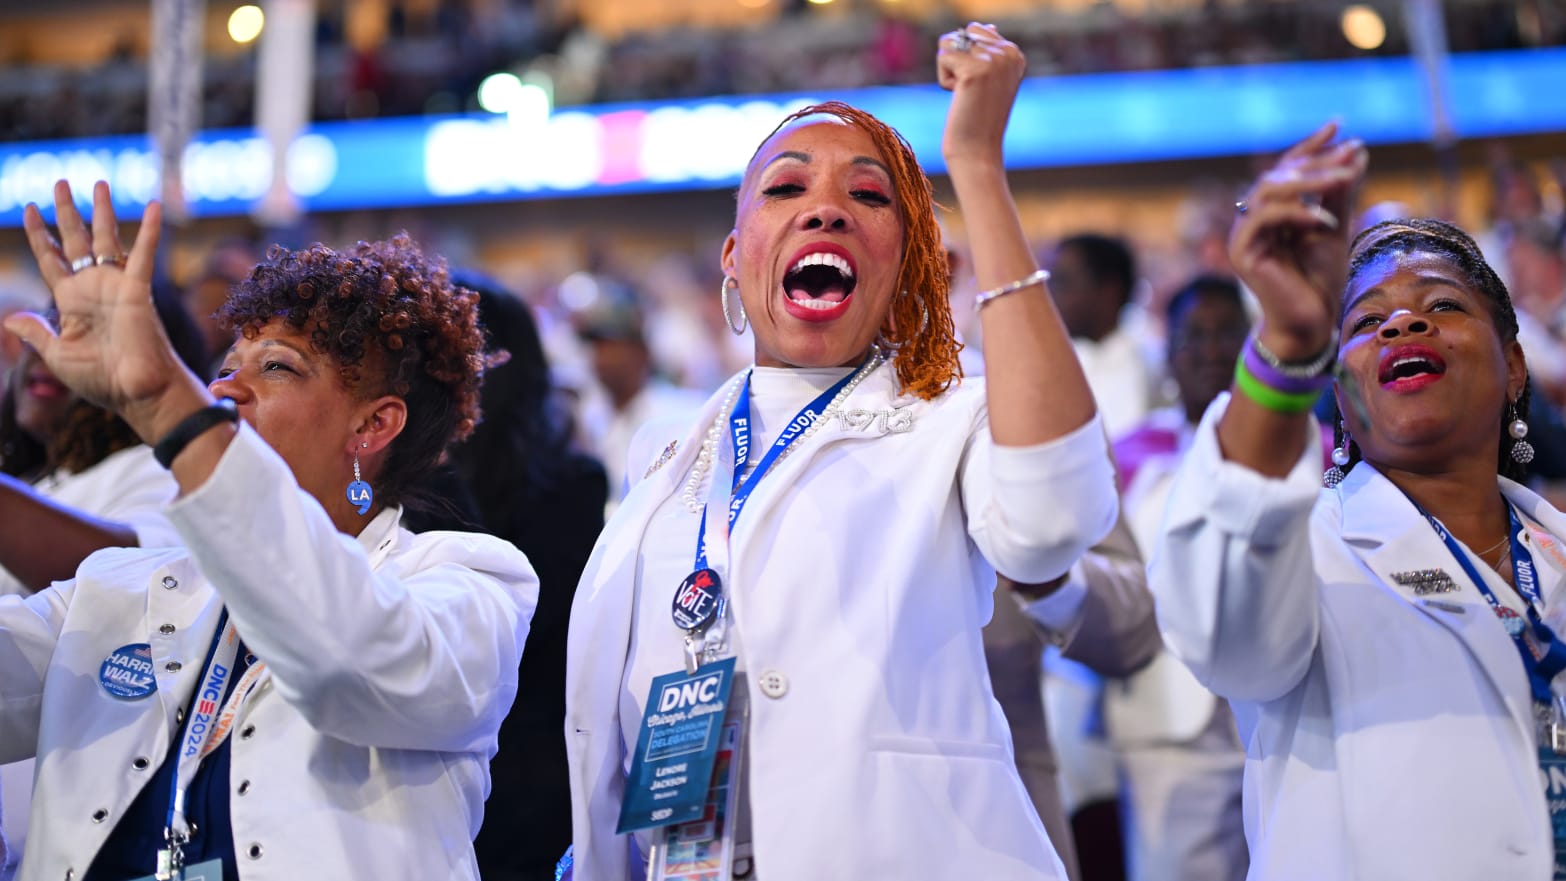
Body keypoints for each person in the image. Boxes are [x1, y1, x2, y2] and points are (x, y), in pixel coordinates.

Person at [565, 23, 1119, 881]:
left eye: (870, 197)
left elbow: (1054, 517)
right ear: (735, 257)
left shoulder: (955, 416)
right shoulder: (667, 453)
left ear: (906, 264)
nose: (824, 208)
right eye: (786, 188)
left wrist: (975, 164)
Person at [5, 180, 538, 881]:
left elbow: (345, 659)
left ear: (373, 423)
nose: (223, 390)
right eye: (221, 370)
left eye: (277, 367)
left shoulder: (469, 581)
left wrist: (169, 401)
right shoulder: (119, 587)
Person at [1151, 123, 1566, 878]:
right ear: (1337, 386)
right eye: (1367, 322)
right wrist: (1287, 339)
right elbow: (1218, 631)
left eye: (1443, 306)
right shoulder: (1306, 553)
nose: (1405, 322)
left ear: (1513, 367)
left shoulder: (1555, 551)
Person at [1099, 276, 1252, 881]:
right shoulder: (1129, 452)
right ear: (1168, 352)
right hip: (1167, 715)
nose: (1212, 350)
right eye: (1195, 335)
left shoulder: (1313, 449)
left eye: (1227, 334)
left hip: (1286, 715)